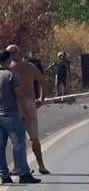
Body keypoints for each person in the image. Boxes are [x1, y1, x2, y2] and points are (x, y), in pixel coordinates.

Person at [6, 45, 50, 175]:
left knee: (17, 138)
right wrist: (41, 99)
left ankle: (16, 167)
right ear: (19, 53)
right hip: (30, 102)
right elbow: (44, 82)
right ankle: (41, 165)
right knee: (34, 137)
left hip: (15, 104)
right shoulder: (30, 67)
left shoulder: (9, 69)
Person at [0, 49, 40, 184]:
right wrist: (25, 113)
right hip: (11, 114)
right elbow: (20, 96)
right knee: (19, 144)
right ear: (8, 60)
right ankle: (24, 173)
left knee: (0, 146)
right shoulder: (11, 76)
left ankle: (4, 175)